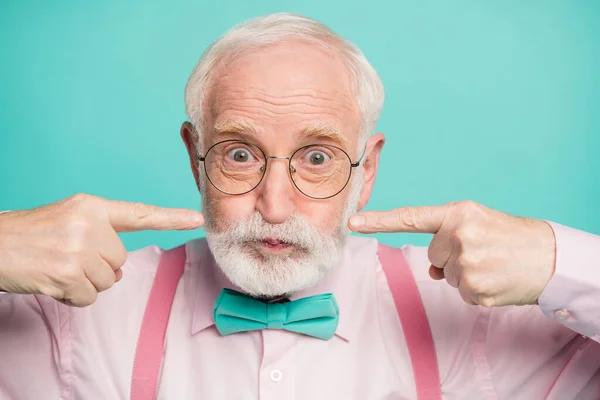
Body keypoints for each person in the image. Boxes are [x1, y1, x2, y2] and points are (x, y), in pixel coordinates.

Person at [0, 12, 598, 400]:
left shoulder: (477, 317)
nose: (276, 206)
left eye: (317, 158)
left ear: (367, 172)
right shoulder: (81, 316)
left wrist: (558, 261)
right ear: (194, 157)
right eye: (239, 155)